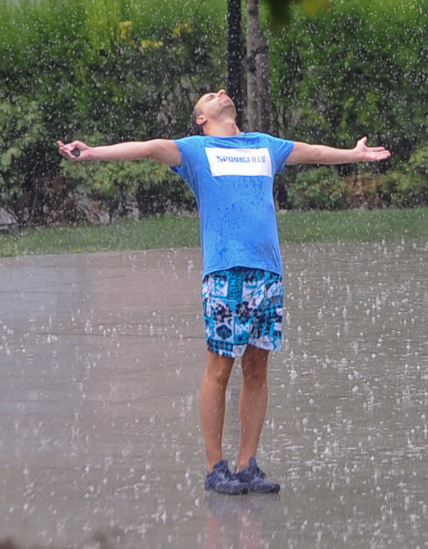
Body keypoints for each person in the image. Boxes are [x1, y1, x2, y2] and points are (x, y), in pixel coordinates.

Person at [57, 89, 390, 495]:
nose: (220, 93)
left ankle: (247, 464)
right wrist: (92, 153)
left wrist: (354, 154)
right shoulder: (195, 150)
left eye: (220, 92)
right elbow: (148, 148)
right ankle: (216, 467)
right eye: (209, 96)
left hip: (268, 273)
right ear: (201, 118)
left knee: (258, 369)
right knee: (220, 369)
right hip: (226, 273)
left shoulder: (264, 145)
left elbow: (315, 152)